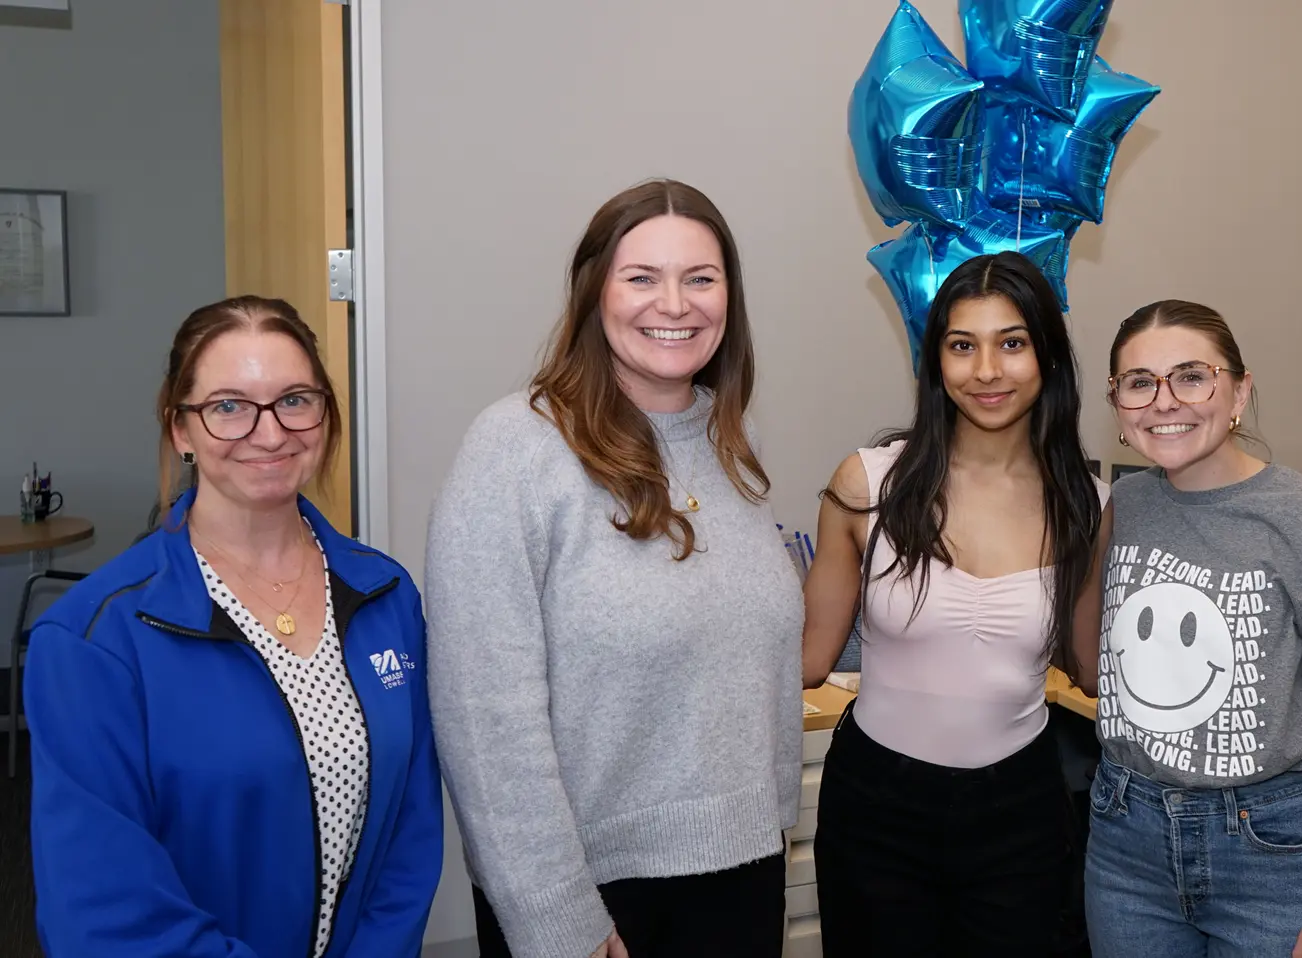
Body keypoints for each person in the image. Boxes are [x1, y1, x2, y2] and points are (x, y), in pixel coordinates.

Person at [425, 179, 803, 958]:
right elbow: (482, 712)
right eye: (642, 278)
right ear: (594, 292)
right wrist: (553, 911)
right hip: (593, 896)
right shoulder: (517, 449)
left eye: (701, 278)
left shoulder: (736, 441)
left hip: (743, 873)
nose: (676, 303)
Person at [25, 296, 443, 958]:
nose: (270, 432)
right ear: (180, 429)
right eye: (228, 406)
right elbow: (103, 908)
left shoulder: (384, 595)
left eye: (295, 400)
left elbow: (409, 835)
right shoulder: (93, 641)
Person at [802, 251, 1109, 956]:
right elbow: (807, 658)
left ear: (1049, 357)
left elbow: (1093, 670)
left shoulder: (1088, 507)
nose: (987, 371)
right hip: (876, 806)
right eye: (962, 345)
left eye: (1013, 343)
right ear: (935, 361)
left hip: (1020, 812)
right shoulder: (867, 483)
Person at [1084, 300, 1302, 958]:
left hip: (1266, 851)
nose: (1164, 401)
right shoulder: (1125, 505)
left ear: (1239, 390)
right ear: (1118, 403)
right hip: (1126, 841)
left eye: (1191, 376)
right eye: (1139, 383)